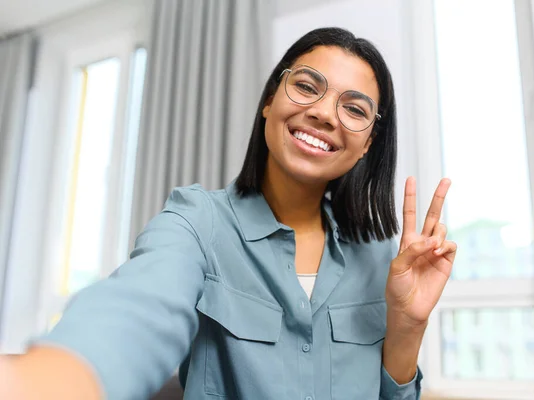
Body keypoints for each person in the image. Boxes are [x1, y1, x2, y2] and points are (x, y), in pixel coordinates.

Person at [0, 27, 457, 399]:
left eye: (354, 109)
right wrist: (58, 378)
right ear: (269, 101)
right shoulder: (198, 221)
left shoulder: (383, 258)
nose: (323, 114)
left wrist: (407, 328)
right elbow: (137, 310)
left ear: (367, 146)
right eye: (305, 87)